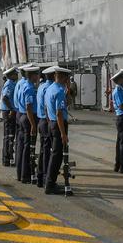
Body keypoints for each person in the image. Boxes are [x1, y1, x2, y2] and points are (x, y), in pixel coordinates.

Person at [43, 66, 72, 194]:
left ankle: (49, 181)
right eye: (67, 78)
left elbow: (46, 108)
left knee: (53, 154)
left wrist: (50, 122)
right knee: (57, 156)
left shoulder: (50, 89)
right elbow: (59, 113)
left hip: (51, 123)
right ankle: (50, 184)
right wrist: (63, 133)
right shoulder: (59, 91)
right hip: (58, 124)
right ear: (64, 78)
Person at [15, 65, 40, 183]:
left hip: (21, 115)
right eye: (37, 74)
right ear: (32, 75)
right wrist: (34, 125)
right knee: (28, 148)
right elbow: (29, 107)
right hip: (28, 118)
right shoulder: (29, 88)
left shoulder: (23, 85)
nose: (38, 77)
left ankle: (20, 173)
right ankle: (26, 175)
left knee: (22, 147)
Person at [34, 67, 55, 186]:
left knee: (43, 149)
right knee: (48, 151)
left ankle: (40, 176)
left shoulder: (41, 86)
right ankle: (46, 176)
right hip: (47, 121)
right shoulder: (49, 88)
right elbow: (48, 107)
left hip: (41, 120)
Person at [0, 67, 18, 167]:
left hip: (9, 111)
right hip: (8, 112)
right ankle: (7, 158)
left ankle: (8, 157)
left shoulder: (12, 83)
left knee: (10, 135)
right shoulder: (9, 84)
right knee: (8, 136)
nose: (17, 76)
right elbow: (5, 98)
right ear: (11, 75)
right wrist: (11, 109)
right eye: (15, 74)